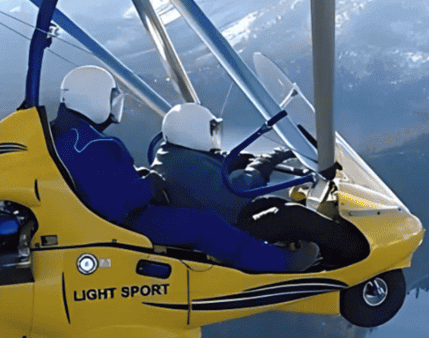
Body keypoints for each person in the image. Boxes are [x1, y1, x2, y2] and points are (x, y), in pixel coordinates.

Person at [50, 67, 316, 273]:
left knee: (202, 220)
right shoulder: (89, 144)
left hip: (114, 218)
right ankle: (282, 263)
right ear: (94, 96)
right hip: (130, 222)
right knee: (205, 225)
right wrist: (150, 184)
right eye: (110, 98)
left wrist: (142, 178)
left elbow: (104, 184)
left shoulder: (69, 138)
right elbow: (114, 204)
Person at [151, 102, 365, 269]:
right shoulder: (185, 165)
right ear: (193, 131)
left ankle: (330, 253)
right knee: (291, 216)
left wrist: (237, 162)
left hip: (220, 218)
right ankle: (357, 252)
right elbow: (236, 191)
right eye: (211, 129)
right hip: (226, 233)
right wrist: (267, 162)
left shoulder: (173, 154)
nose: (214, 135)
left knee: (270, 202)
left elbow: (211, 177)